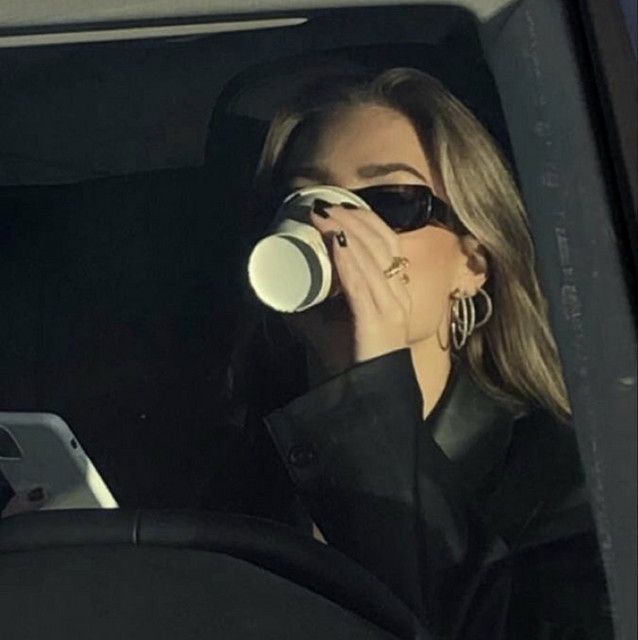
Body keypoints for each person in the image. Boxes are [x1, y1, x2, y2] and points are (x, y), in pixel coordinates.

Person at [216, 67, 614, 639]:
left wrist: (367, 394)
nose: (342, 236)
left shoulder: (567, 480)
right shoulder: (246, 466)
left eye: (393, 202)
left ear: (473, 264)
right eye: (309, 203)